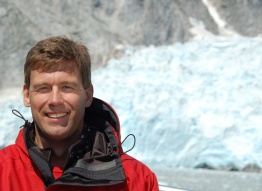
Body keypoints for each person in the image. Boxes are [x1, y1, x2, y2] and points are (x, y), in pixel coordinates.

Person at [0, 36, 159, 191]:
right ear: (27, 96)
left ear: (88, 95)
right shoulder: (3, 172)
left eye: (67, 87)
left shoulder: (137, 181)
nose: (55, 100)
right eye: (43, 88)